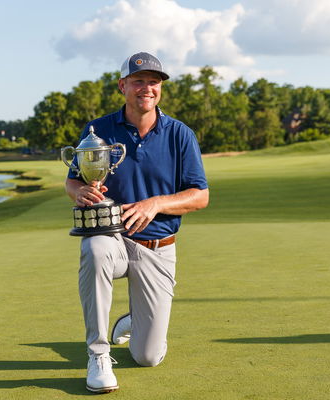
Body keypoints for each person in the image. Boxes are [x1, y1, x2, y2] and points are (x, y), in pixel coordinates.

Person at [65, 51, 209, 393]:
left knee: (148, 356)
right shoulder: (98, 128)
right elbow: (73, 180)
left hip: (157, 246)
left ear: (160, 89)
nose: (147, 88)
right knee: (95, 249)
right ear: (123, 86)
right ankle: (98, 354)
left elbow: (200, 196)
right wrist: (79, 192)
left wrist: (155, 204)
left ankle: (135, 321)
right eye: (139, 81)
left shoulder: (179, 134)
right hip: (112, 235)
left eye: (154, 83)